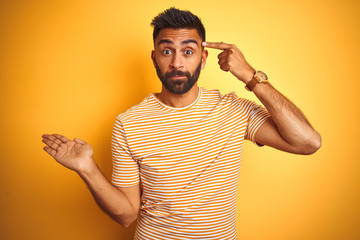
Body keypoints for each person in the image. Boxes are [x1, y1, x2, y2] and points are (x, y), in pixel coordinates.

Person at [42, 7, 321, 240]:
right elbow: (127, 215)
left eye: (188, 52)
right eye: (166, 52)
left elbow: (307, 142)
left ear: (204, 57)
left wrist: (250, 76)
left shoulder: (234, 110)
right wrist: (87, 169)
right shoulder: (129, 123)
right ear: (154, 58)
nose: (177, 62)